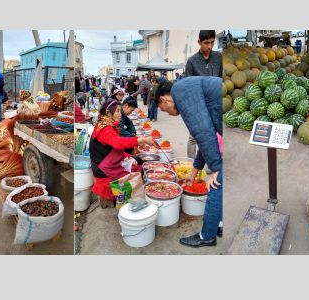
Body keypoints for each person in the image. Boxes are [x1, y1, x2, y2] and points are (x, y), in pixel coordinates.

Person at [155, 77, 223, 247]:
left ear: (164, 100)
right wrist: (194, 171)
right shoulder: (185, 89)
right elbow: (203, 138)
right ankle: (219, 224)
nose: (167, 114)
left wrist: (215, 168)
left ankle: (207, 236)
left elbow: (203, 132)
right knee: (220, 180)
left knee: (216, 184)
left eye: (163, 110)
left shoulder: (181, 93)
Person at [89, 99, 159, 208]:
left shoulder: (106, 123)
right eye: (117, 111)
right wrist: (142, 140)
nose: (120, 114)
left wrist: (130, 157)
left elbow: (115, 147)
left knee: (138, 162)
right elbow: (117, 143)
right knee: (137, 169)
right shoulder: (105, 128)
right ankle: (126, 201)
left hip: (107, 160)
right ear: (108, 113)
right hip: (103, 167)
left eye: (120, 111)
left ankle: (129, 198)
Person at [184, 30, 223, 161]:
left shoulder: (218, 57)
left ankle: (211, 162)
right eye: (206, 43)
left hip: (215, 105)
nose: (210, 46)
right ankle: (190, 161)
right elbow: (188, 86)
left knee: (213, 136)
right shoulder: (192, 61)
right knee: (194, 137)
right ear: (199, 42)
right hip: (198, 105)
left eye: (212, 42)